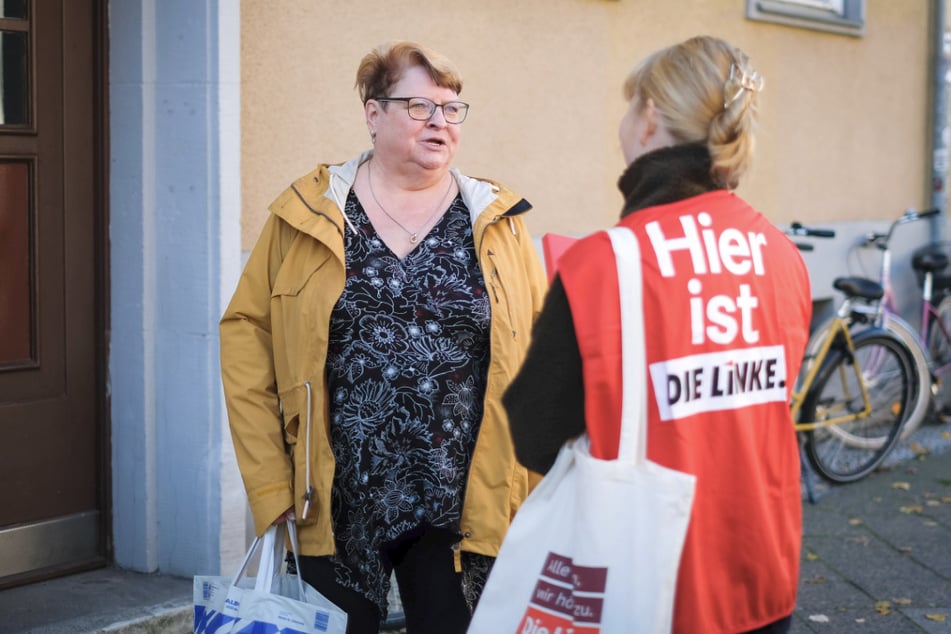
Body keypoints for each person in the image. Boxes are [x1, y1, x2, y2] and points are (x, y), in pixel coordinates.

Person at [220, 41, 547, 634]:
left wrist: (534, 493)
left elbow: (538, 361)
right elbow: (247, 341)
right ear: (373, 114)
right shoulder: (306, 215)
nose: (440, 123)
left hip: (463, 505)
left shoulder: (499, 223)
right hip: (332, 500)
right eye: (420, 106)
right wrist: (270, 484)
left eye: (452, 109)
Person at [504, 35, 810, 634]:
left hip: (652, 586)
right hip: (763, 575)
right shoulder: (782, 254)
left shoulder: (603, 265)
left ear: (647, 120)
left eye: (628, 108)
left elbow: (534, 433)